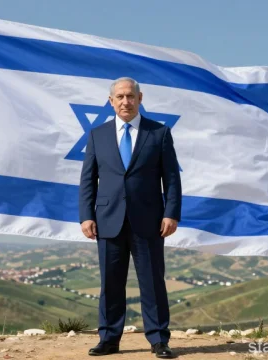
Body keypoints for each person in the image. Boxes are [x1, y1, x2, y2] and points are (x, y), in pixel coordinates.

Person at [79, 77, 182, 358]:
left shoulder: (159, 133)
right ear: (111, 101)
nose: (126, 101)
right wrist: (86, 216)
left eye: (131, 96)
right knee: (110, 283)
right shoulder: (97, 135)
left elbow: (171, 179)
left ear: (140, 98)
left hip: (149, 220)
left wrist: (171, 213)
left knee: (152, 282)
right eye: (120, 97)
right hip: (108, 219)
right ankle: (109, 339)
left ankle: (159, 340)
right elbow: (88, 179)